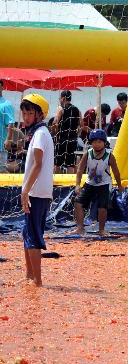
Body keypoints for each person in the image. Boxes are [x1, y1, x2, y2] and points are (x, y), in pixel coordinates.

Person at [19, 94, 54, 287]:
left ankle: (37, 280)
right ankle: (29, 275)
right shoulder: (39, 133)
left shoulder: (40, 133)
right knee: (27, 232)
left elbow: (38, 164)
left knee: (32, 234)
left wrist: (25, 190)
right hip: (38, 191)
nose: (26, 117)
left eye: (30, 113)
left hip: (36, 193)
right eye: (24, 113)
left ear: (40, 114)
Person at [73, 129, 123, 235]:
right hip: (90, 183)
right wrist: (77, 185)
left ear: (104, 143)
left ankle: (101, 230)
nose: (97, 144)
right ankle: (80, 228)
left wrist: (119, 185)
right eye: (94, 142)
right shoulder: (88, 154)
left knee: (102, 207)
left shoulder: (109, 156)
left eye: (99, 142)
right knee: (78, 203)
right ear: (91, 143)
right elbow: (80, 169)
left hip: (104, 184)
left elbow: (116, 172)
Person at [51, 90, 81, 173]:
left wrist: (53, 133)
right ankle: (70, 184)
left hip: (61, 139)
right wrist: (76, 134)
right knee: (70, 164)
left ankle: (57, 184)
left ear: (63, 98)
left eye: (60, 98)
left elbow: (54, 122)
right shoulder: (77, 110)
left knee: (57, 163)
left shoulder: (60, 108)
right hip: (73, 139)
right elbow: (81, 125)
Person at [0, 79, 15, 169]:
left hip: (1, 146)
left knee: (1, 172)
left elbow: (11, 123)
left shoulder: (7, 104)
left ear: (2, 88)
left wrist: (8, 140)